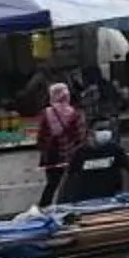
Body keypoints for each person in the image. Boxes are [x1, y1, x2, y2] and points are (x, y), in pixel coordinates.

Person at [34, 81, 90, 214]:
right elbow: (79, 135)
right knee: (70, 181)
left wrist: (42, 148)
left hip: (51, 154)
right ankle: (67, 208)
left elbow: (41, 136)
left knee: (52, 183)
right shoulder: (73, 114)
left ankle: (43, 209)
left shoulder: (46, 113)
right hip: (70, 153)